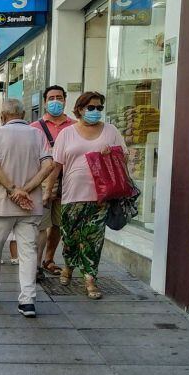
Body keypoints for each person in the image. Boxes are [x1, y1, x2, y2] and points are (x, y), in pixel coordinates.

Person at [0, 98, 55, 317]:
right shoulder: (38, 134)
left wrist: (13, 190)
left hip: (1, 203)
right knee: (28, 251)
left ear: (2, 115)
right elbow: (49, 165)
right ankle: (27, 301)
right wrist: (26, 190)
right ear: (22, 114)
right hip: (31, 205)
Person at [51, 91, 127, 299]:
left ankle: (90, 279)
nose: (95, 111)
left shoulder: (111, 131)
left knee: (93, 239)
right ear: (80, 108)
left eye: (99, 108)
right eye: (91, 107)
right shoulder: (67, 133)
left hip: (101, 195)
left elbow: (125, 159)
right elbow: (56, 165)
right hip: (72, 194)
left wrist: (111, 154)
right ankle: (68, 266)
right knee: (70, 237)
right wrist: (48, 189)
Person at [31, 85, 76, 277]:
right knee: (40, 224)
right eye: (51, 98)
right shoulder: (34, 128)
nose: (55, 101)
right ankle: (35, 265)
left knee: (58, 224)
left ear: (65, 100)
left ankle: (49, 259)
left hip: (69, 182)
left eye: (59, 97)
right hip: (43, 182)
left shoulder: (75, 126)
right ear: (44, 102)